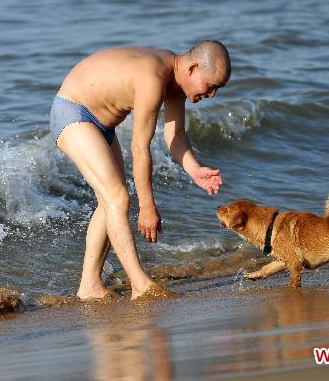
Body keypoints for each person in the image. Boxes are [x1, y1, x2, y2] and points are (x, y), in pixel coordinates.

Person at [50, 40, 231, 300]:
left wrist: (194, 169)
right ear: (192, 68)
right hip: (74, 113)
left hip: (101, 124)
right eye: (211, 86)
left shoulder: (176, 78)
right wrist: (147, 207)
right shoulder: (154, 77)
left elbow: (176, 135)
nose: (212, 95)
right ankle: (139, 284)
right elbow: (139, 147)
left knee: (109, 202)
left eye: (218, 89)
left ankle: (89, 286)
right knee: (118, 198)